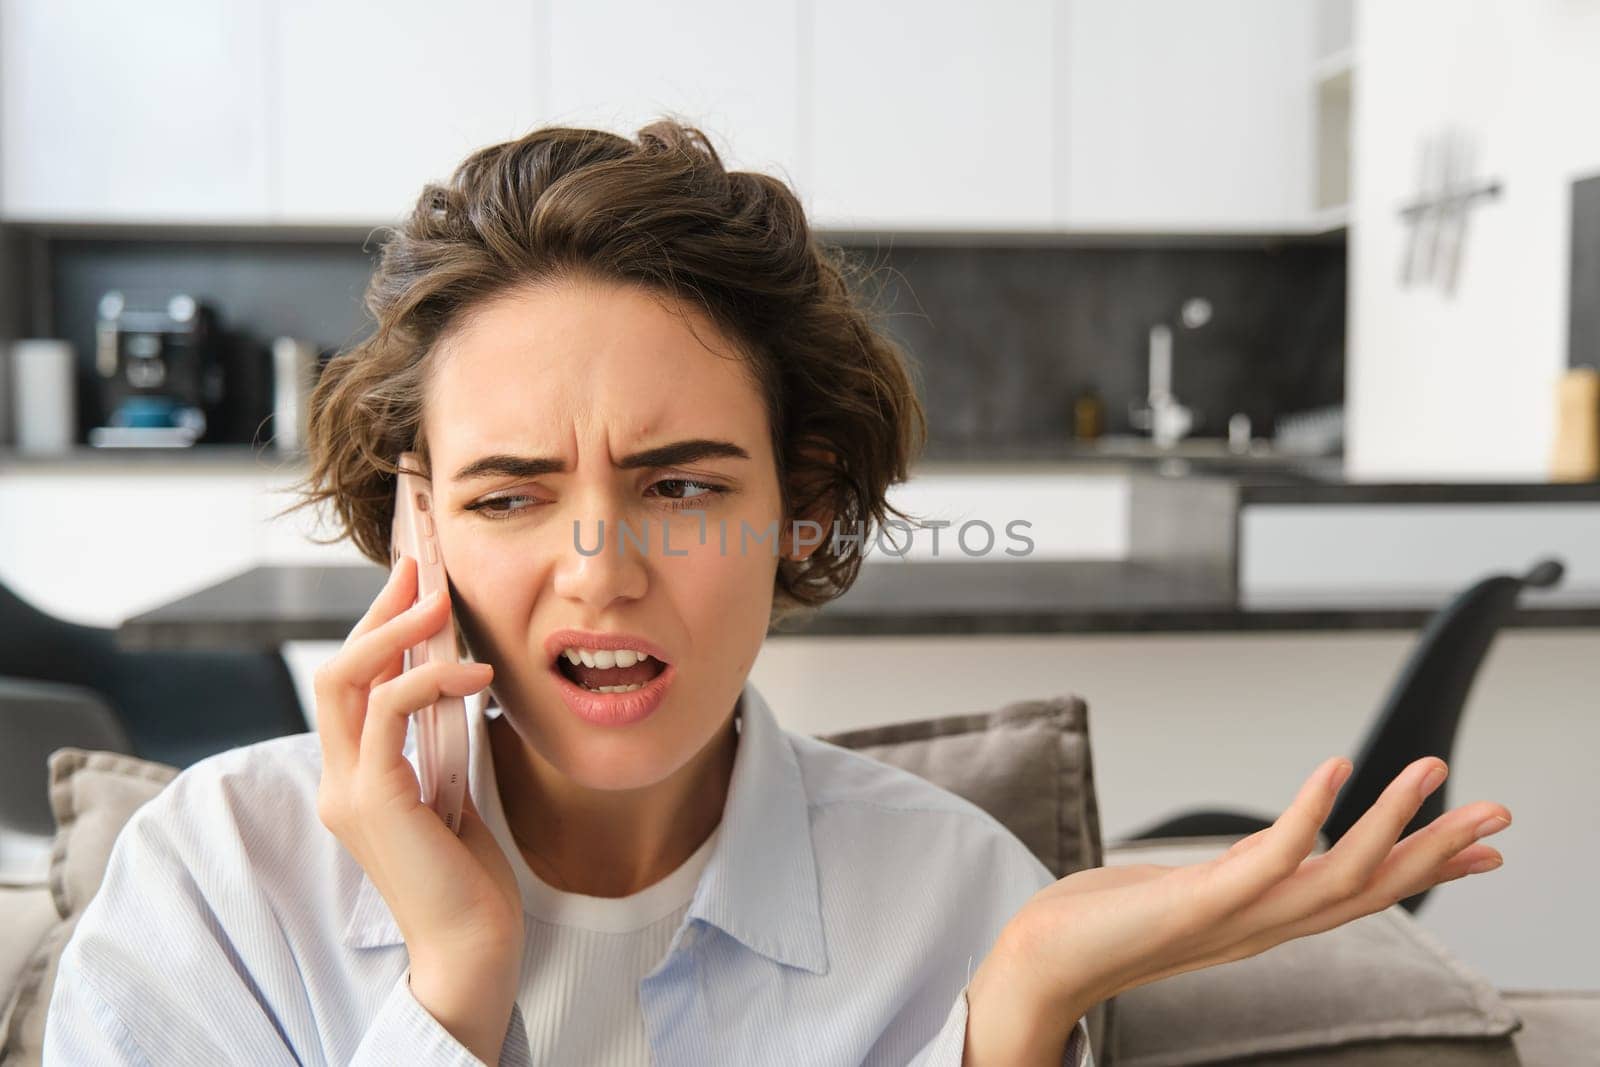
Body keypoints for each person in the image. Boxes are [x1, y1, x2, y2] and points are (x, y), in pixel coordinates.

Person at [42, 120, 1513, 1067]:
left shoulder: (962, 902)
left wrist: (1014, 1018)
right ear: (411, 523)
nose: (602, 570)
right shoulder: (215, 888)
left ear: (797, 507)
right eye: (509, 495)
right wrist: (454, 978)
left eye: (683, 486)